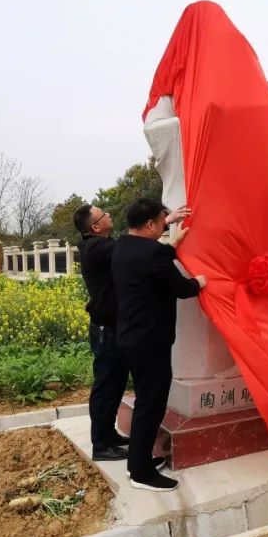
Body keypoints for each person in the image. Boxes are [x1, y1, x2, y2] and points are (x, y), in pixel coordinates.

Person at [73, 202, 189, 462]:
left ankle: (108, 437)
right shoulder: (99, 249)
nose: (110, 213)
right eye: (104, 214)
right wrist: (164, 225)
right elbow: (141, 252)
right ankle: (101, 444)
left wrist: (162, 222)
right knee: (106, 388)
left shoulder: (105, 245)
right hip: (107, 330)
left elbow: (140, 246)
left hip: (116, 328)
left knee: (114, 387)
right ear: (95, 226)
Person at [113, 197, 206, 491]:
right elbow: (181, 288)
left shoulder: (121, 247)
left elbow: (152, 261)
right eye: (161, 222)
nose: (164, 226)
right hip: (150, 343)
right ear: (151, 224)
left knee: (145, 402)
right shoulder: (153, 253)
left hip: (130, 339)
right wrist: (200, 282)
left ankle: (137, 462)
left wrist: (170, 241)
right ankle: (141, 473)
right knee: (151, 406)